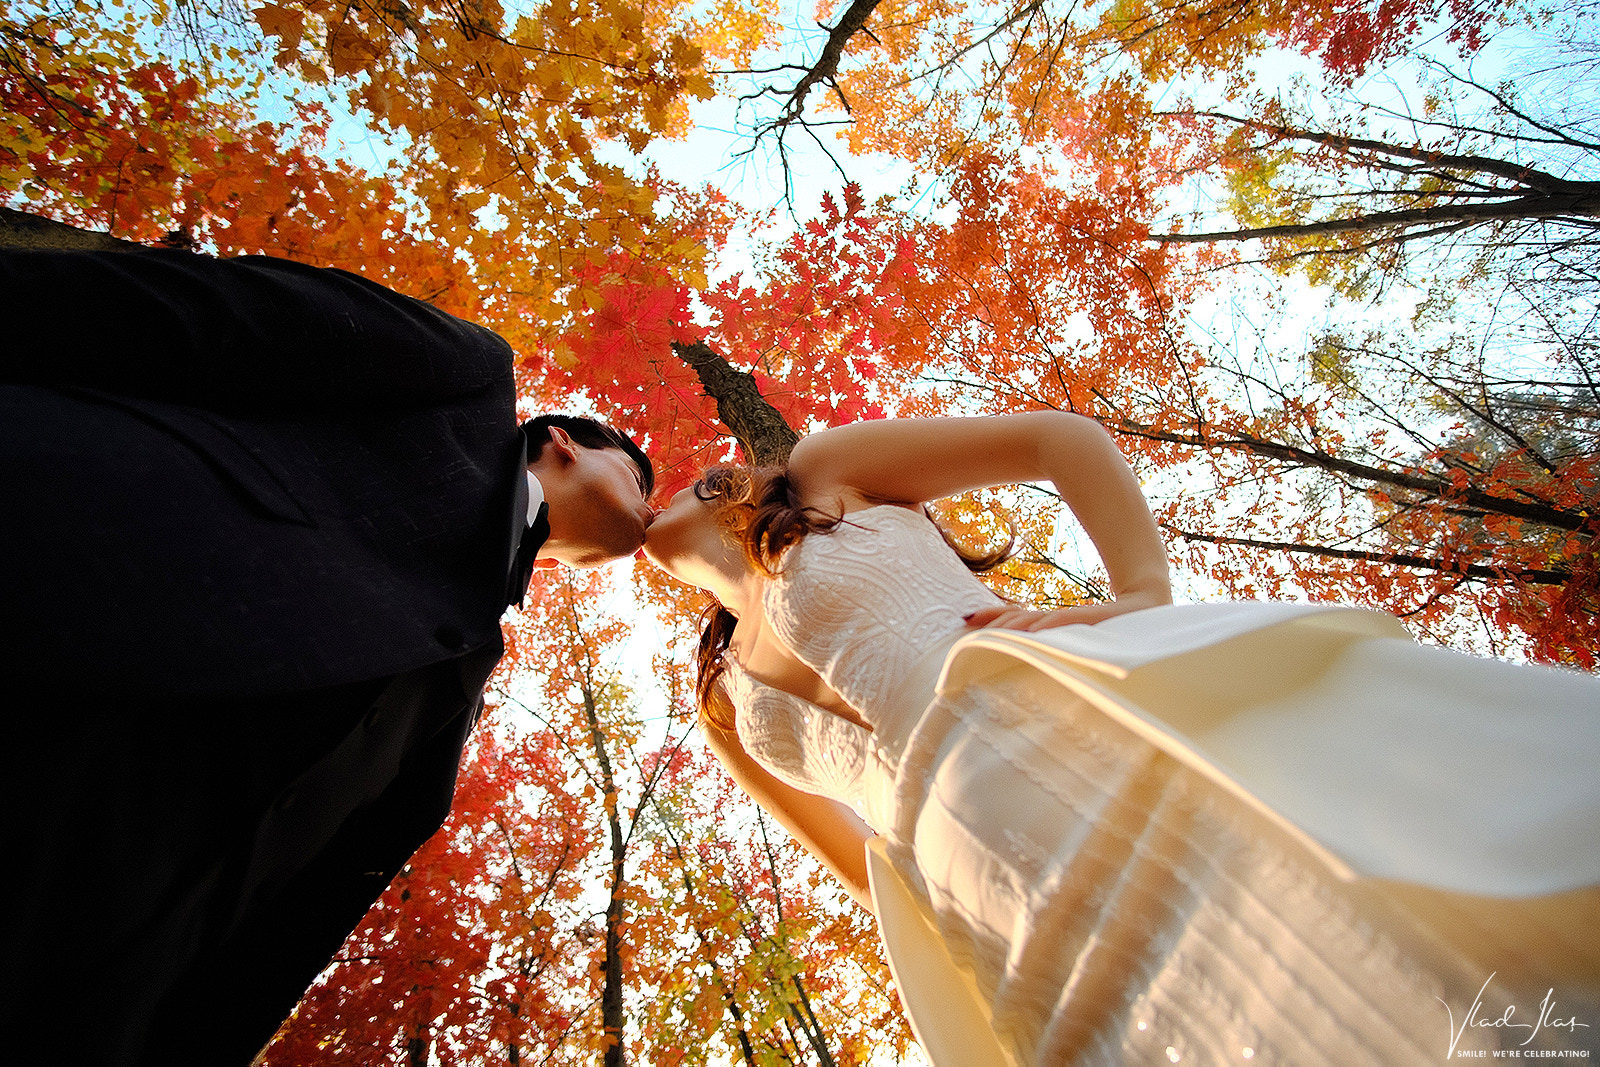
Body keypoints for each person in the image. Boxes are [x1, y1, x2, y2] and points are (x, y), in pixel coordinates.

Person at [643, 411, 1600, 1065]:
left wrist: (1139, 593)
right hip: (1002, 908)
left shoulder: (822, 471)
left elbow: (1064, 439)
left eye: (667, 476)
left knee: (1383, 933)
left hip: (1098, 737)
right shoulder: (723, 707)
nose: (657, 498)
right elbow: (857, 861)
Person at [0, 244, 654, 1065]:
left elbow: (295, 920)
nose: (651, 509)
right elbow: (199, 315)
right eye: (640, 478)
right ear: (563, 442)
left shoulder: (464, 674)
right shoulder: (462, 380)